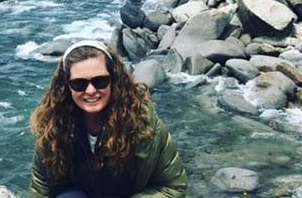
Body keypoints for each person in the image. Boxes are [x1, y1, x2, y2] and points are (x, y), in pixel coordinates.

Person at [29, 40, 187, 198]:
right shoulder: (53, 126)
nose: (90, 91)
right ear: (67, 86)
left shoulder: (144, 124)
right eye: (79, 84)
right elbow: (41, 188)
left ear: (114, 80)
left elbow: (174, 186)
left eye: (100, 81)